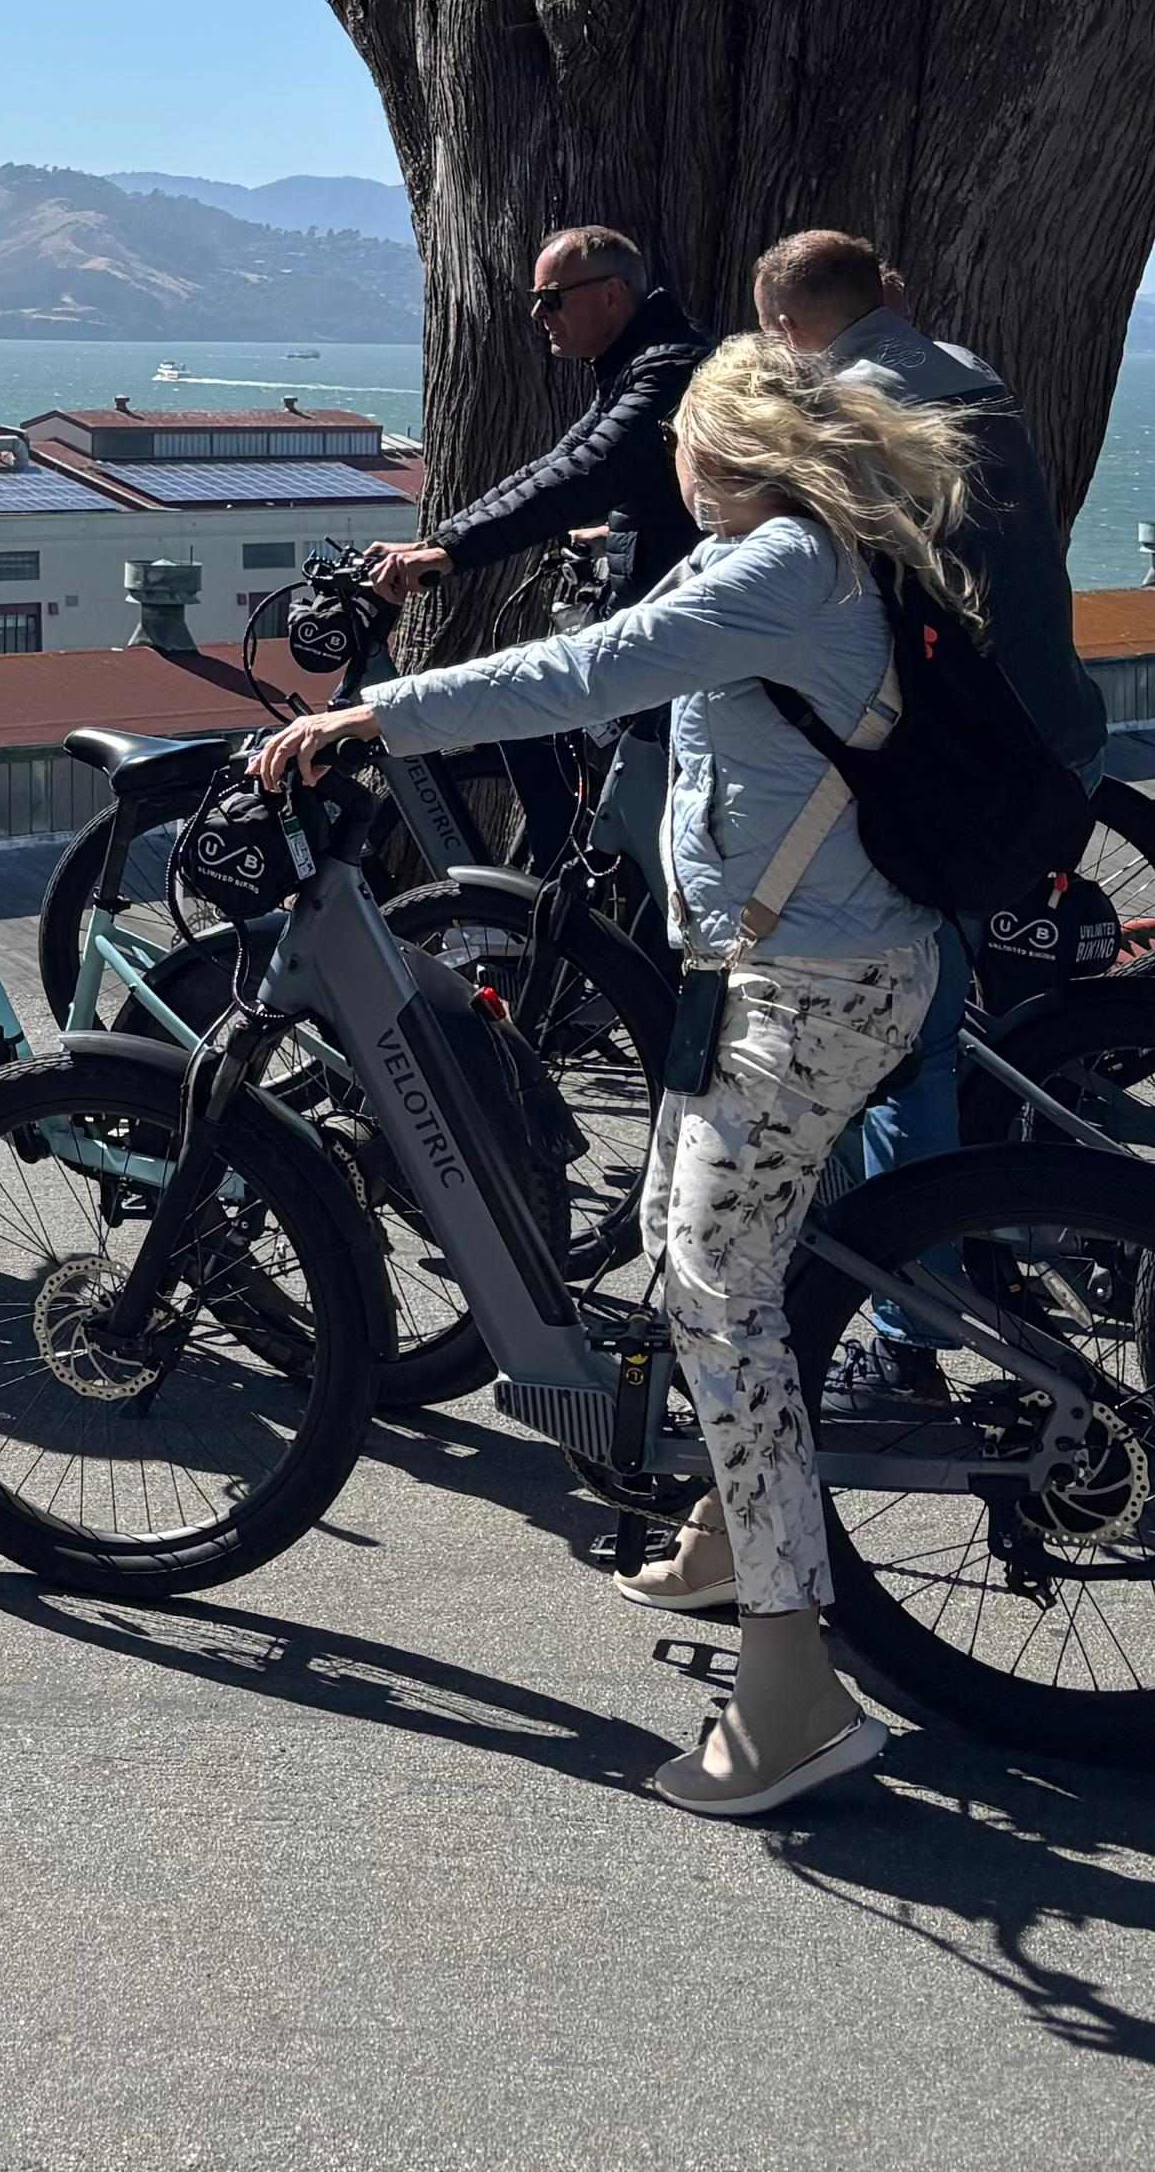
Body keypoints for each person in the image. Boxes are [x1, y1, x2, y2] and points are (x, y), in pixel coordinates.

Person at [257, 334, 982, 1815]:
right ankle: (731, 1521)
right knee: (676, 1225)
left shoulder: (779, 565)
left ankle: (792, 1688)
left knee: (716, 1288)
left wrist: (369, 717)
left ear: (714, 450)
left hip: (806, 984)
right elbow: (618, 645)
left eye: (679, 449)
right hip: (790, 969)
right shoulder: (805, 547)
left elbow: (591, 672)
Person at [756, 227, 1104, 1194]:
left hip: (972, 760)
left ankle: (915, 1305)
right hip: (1063, 725)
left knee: (918, 1045)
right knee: (1019, 998)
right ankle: (1047, 1199)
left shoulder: (838, 408)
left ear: (786, 327)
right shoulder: (967, 369)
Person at [360, 226, 716, 884]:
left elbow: (586, 473)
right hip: (647, 609)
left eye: (550, 297)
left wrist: (448, 552)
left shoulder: (668, 368)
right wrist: (436, 544)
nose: (537, 314)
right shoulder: (636, 364)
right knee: (546, 735)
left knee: (540, 724)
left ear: (611, 295)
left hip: (677, 632)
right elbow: (551, 467)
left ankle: (577, 927)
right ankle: (583, 903)